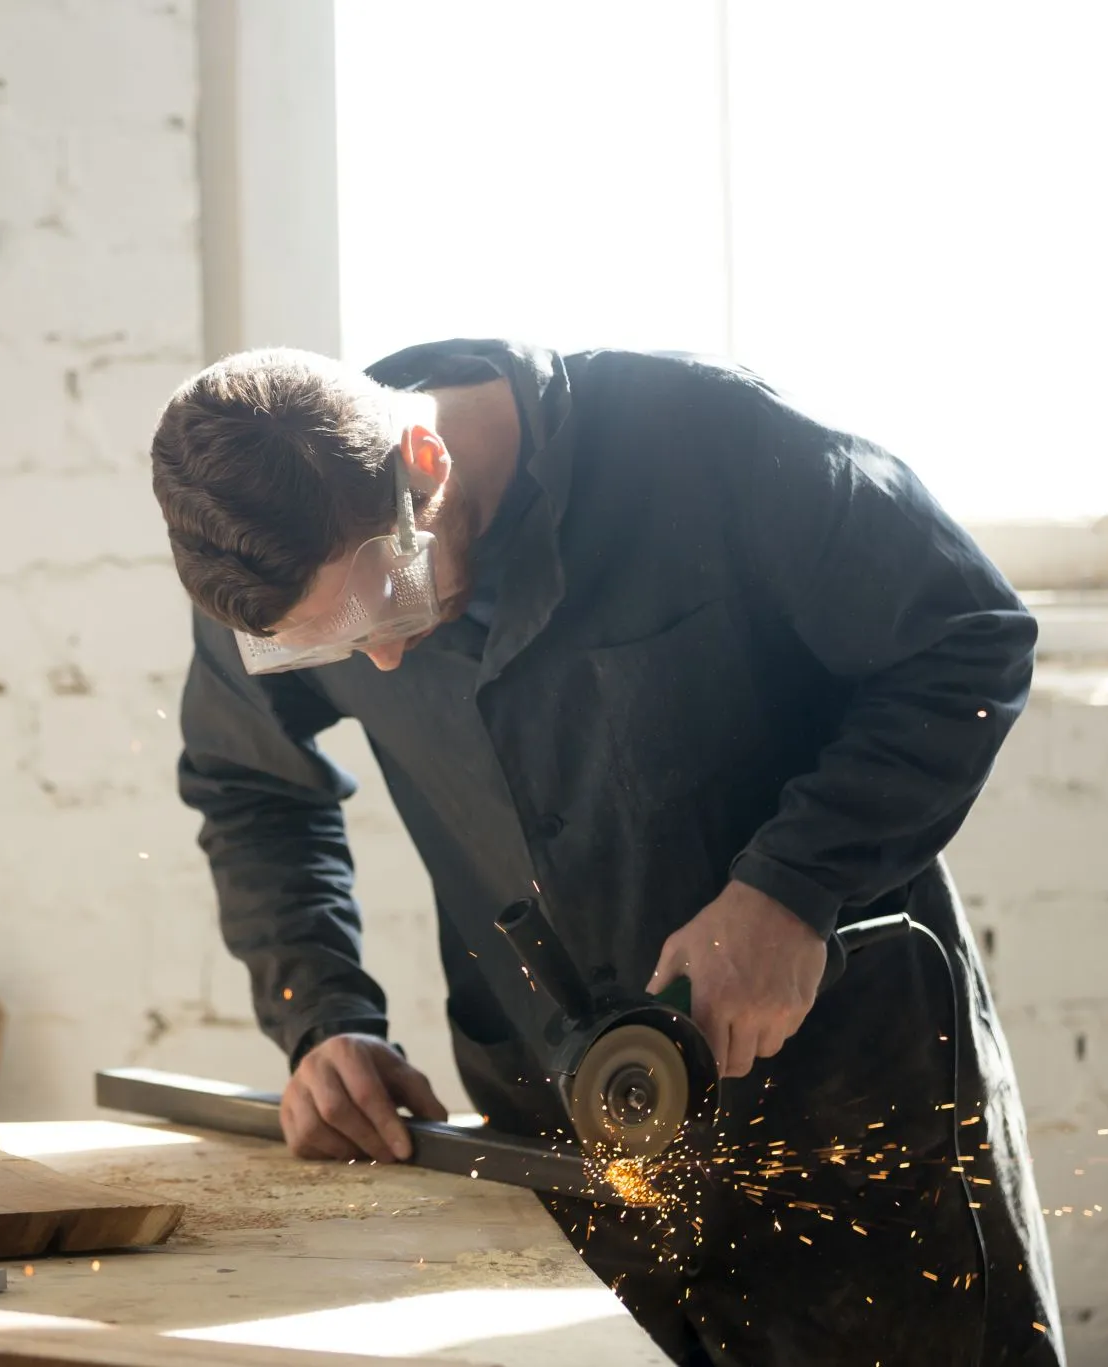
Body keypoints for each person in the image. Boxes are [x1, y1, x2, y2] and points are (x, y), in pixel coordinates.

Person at [148, 339, 1062, 1366]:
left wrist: (791, 887)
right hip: (566, 1134)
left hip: (846, 1094)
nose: (387, 655)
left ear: (425, 460)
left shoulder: (700, 438)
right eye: (334, 642)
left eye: (389, 600)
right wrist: (321, 1018)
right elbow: (250, 783)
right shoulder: (270, 557)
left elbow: (967, 638)